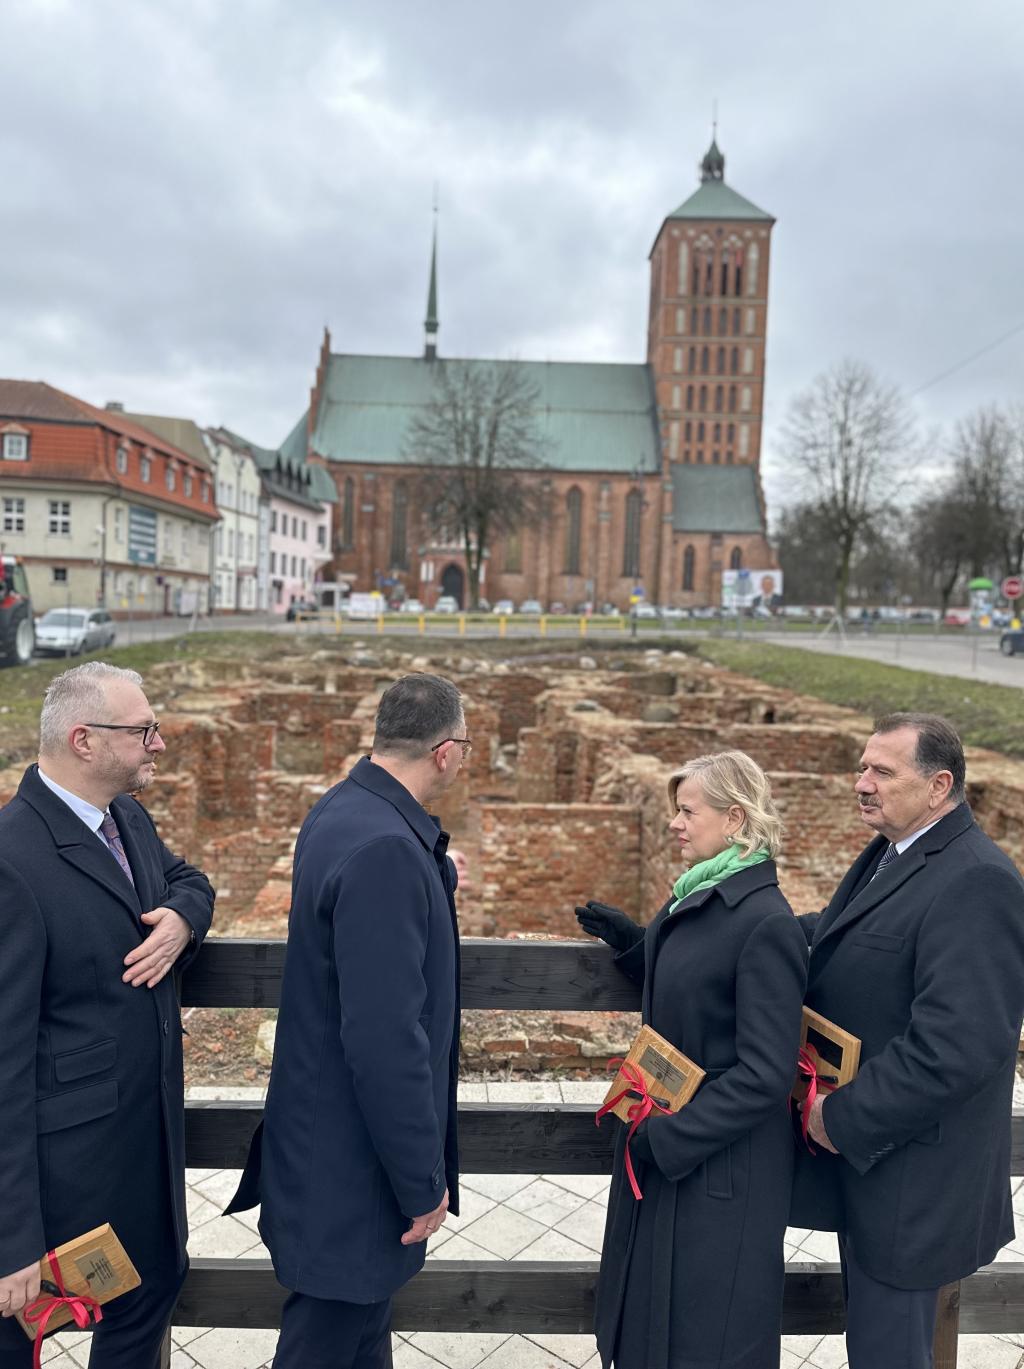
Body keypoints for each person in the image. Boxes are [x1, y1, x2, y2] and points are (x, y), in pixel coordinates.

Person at [227, 673, 466, 1369]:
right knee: (325, 1344)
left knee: (359, 1337)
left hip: (323, 1151)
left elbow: (362, 902)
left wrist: (435, 875)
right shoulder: (388, 851)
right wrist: (421, 1180)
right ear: (445, 752)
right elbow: (385, 1039)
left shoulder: (346, 809)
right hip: (353, 1170)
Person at [792, 712, 1024, 1369]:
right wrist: (681, 934)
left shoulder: (976, 879)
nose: (861, 782)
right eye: (862, 767)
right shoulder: (895, 851)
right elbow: (828, 933)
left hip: (915, 1184)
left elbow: (959, 1045)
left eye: (882, 771)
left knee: (889, 1354)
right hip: (881, 1171)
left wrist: (841, 1118)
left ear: (938, 785)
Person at [0, 662, 215, 1368]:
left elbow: (187, 878)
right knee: (16, 1339)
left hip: (141, 1157)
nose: (159, 743)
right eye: (143, 730)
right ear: (83, 739)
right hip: (63, 1176)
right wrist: (10, 1239)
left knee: (150, 1298)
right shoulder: (12, 858)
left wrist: (182, 919)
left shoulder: (124, 817)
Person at [576, 750, 807, 1369]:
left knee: (706, 1337)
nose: (675, 823)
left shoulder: (764, 922)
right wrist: (637, 946)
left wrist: (669, 1137)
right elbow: (698, 987)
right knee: (654, 1326)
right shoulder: (699, 892)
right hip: (678, 1146)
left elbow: (766, 1074)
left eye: (687, 811)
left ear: (735, 819)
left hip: (719, 1166)